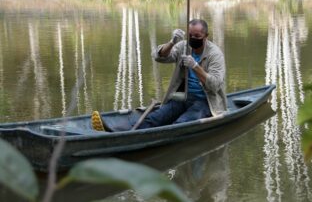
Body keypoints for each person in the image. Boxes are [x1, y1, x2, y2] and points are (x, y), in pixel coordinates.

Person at [91, 19, 227, 131]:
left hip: (204, 102)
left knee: (181, 124)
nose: (193, 39)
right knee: (156, 117)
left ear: (206, 36)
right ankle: (118, 131)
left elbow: (215, 85)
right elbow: (159, 57)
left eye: (197, 36)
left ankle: (165, 139)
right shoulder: (183, 47)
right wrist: (172, 42)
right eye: (190, 35)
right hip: (182, 97)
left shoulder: (215, 54)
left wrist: (195, 66)